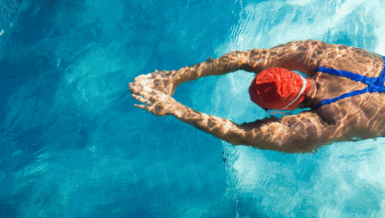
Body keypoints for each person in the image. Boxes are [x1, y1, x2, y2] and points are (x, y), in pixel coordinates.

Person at [128, 40, 385, 153]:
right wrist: (175, 77)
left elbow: (239, 134)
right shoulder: (321, 55)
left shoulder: (325, 124)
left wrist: (174, 108)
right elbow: (244, 58)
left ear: (287, 108)